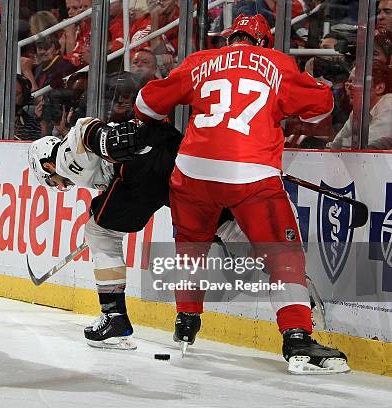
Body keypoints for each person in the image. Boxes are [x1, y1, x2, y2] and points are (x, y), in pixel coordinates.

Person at [134, 14, 350, 374]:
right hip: (251, 172)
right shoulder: (277, 63)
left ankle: (186, 320)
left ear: (229, 37)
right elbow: (322, 109)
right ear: (263, 42)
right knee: (284, 256)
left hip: (191, 171)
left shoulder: (200, 60)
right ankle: (296, 338)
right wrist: (284, 115)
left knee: (191, 246)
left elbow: (145, 106)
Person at [28, 118, 183, 349]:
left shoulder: (62, 159)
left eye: (53, 183)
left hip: (141, 167)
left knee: (100, 233)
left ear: (48, 166)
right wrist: (100, 206)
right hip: (170, 151)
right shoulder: (85, 168)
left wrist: (101, 135)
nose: (61, 186)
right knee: (221, 223)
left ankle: (114, 316)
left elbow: (83, 129)